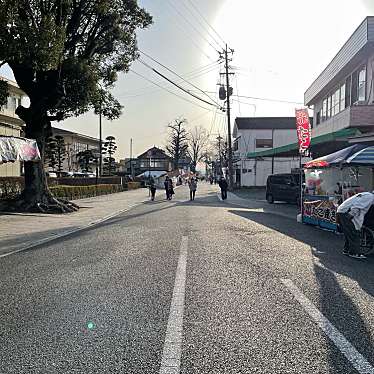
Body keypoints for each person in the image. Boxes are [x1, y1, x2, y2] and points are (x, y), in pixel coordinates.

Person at [337, 191, 374, 259]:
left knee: (349, 232)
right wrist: (350, 215)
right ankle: (354, 252)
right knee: (353, 233)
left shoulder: (367, 195)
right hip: (346, 212)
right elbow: (357, 206)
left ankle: (346, 250)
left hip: (342, 210)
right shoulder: (370, 197)